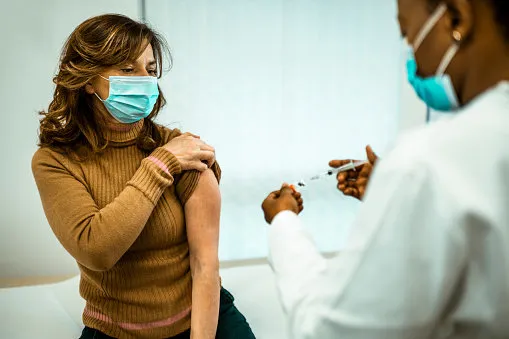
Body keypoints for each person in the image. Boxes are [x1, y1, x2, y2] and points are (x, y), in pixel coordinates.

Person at [262, 0, 509, 338]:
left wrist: (283, 222)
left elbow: (327, 331)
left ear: (457, 17)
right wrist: (392, 194)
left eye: (408, 32)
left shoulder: (428, 164)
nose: (412, 57)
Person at [32, 14, 255, 339]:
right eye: (126, 69)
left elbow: (205, 266)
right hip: (113, 331)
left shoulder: (183, 148)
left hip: (205, 319)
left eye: (150, 70)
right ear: (88, 79)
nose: (144, 80)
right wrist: (160, 166)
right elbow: (97, 250)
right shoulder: (56, 161)